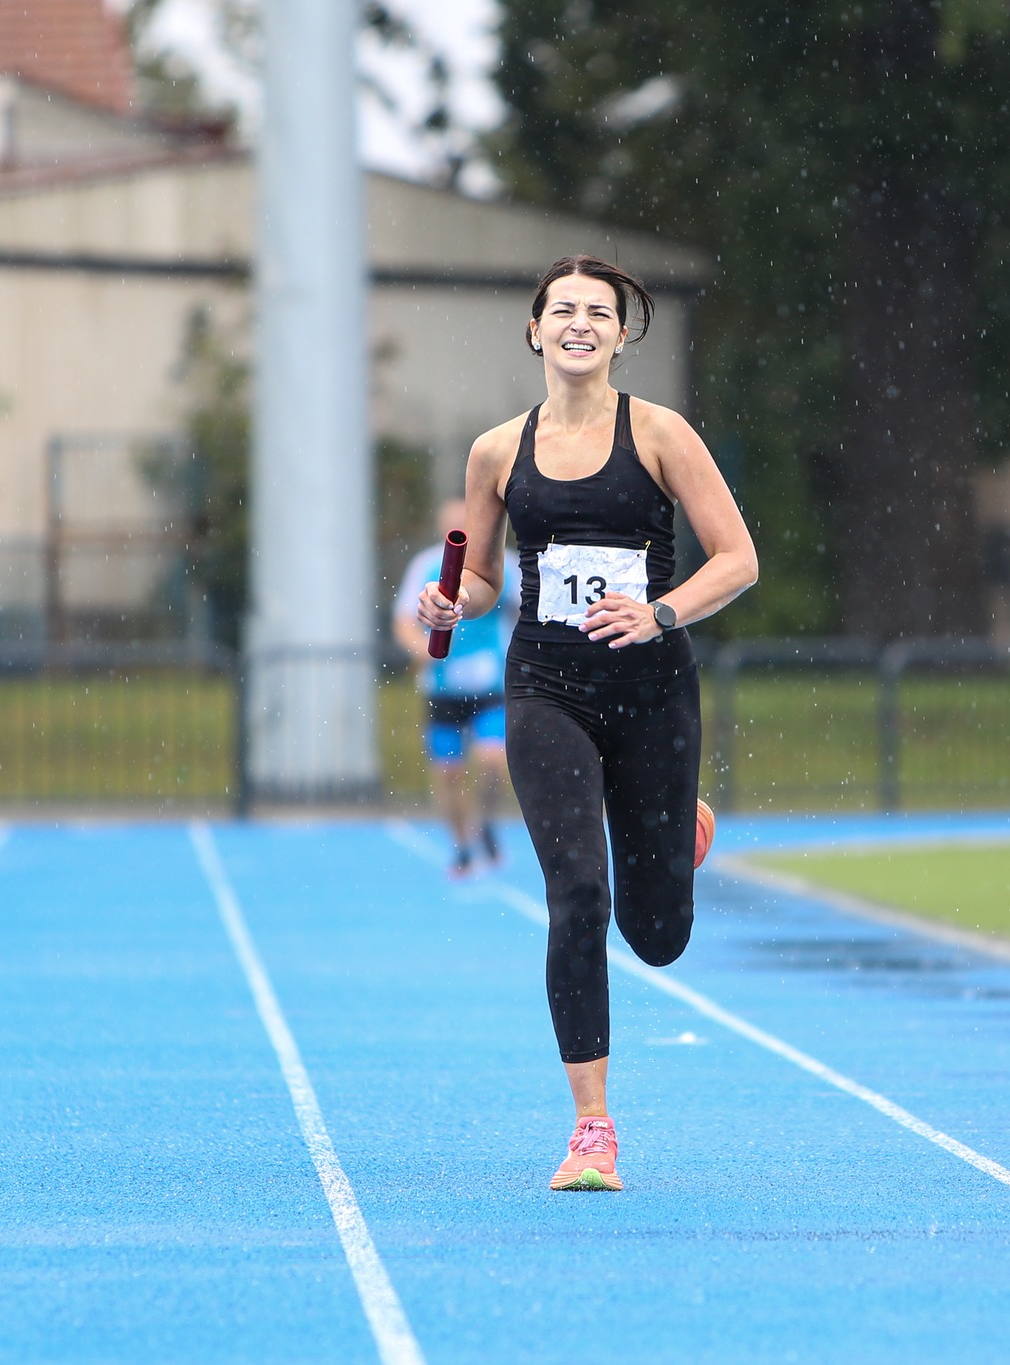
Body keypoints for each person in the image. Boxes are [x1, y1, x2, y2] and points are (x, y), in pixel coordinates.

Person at [416, 254, 758, 1191]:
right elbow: (482, 576)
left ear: (620, 333)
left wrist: (661, 611)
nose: (579, 324)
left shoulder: (660, 433)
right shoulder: (497, 452)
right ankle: (592, 1128)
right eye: (561, 309)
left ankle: (678, 830)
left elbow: (737, 557)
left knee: (658, 935)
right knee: (576, 892)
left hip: (650, 688)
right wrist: (453, 604)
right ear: (535, 329)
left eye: (597, 312)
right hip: (545, 688)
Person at [393, 498, 521, 877]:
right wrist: (421, 649)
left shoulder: (505, 564)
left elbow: (526, 612)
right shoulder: (426, 566)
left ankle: (487, 822)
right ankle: (462, 844)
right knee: (449, 773)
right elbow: (404, 621)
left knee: (493, 761)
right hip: (443, 689)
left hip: (491, 686)